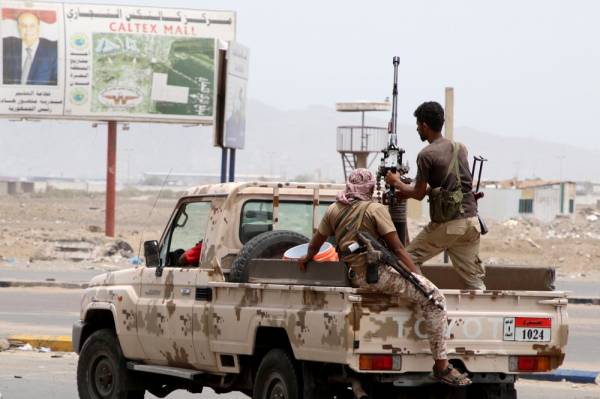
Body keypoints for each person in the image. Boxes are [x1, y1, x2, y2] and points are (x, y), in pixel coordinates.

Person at [300, 168, 471, 387]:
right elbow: (399, 249)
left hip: (355, 276)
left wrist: (306, 259)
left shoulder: (334, 208)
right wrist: (417, 277)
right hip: (377, 275)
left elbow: (315, 243)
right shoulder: (375, 209)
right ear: (370, 187)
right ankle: (441, 366)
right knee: (434, 299)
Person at [385, 101, 485, 290]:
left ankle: (429, 297)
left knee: (407, 259)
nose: (416, 129)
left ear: (424, 125)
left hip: (449, 224)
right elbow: (454, 185)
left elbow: (419, 193)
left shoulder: (426, 155)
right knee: (473, 279)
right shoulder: (459, 148)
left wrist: (396, 182)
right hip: (472, 222)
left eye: (417, 125)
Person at [3, 11, 58, 85]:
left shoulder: (53, 50)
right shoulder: (7, 47)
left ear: (38, 27)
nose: (28, 29)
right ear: (18, 28)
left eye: (32, 26)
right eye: (23, 26)